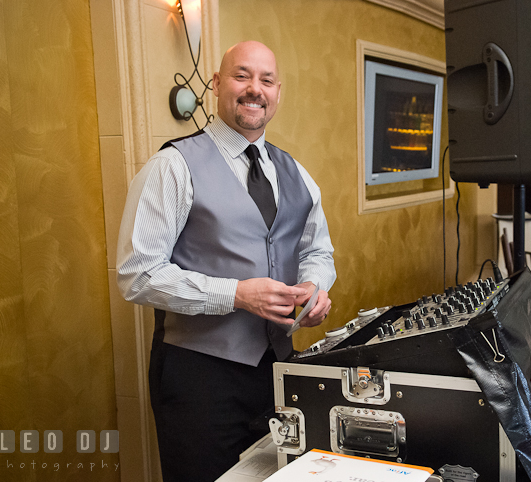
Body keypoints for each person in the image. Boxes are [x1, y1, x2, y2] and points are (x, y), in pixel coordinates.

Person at [116, 41, 336, 482]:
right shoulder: (173, 166)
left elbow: (317, 250)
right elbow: (137, 274)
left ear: (278, 93)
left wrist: (314, 287)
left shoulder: (296, 172)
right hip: (199, 378)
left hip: (278, 369)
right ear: (216, 84)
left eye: (267, 80)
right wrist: (235, 294)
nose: (255, 89)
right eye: (241, 75)